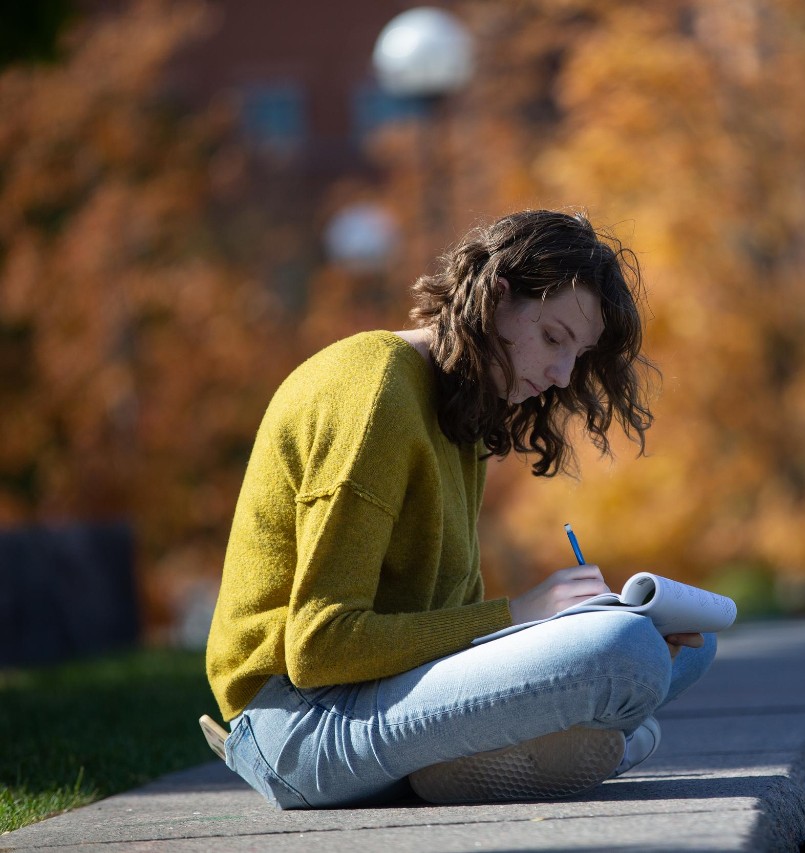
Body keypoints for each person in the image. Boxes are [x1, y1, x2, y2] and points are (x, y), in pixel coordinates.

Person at [202, 210, 717, 809]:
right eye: (554, 339)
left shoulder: (461, 408)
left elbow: (448, 628)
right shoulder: (374, 392)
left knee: (685, 645)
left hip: (384, 697)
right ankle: (565, 743)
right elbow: (319, 647)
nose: (561, 375)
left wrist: (554, 627)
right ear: (495, 297)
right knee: (626, 654)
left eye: (577, 356)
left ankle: (469, 760)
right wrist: (521, 614)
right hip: (301, 725)